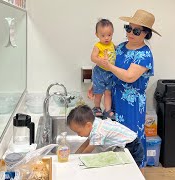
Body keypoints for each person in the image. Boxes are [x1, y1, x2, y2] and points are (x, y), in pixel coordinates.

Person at [89, 9, 161, 168]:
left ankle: (138, 174)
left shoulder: (144, 54)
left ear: (146, 34)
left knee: (132, 140)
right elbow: (106, 70)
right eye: (128, 28)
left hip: (132, 105)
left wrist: (108, 65)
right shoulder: (119, 47)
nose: (130, 33)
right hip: (114, 100)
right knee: (115, 141)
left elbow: (129, 76)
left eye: (136, 30)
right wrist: (96, 85)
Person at [66, 105, 144, 167]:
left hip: (132, 146)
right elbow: (86, 144)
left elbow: (87, 151)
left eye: (78, 132)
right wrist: (74, 156)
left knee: (131, 171)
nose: (78, 135)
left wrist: (75, 162)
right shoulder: (94, 123)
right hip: (130, 142)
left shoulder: (98, 132)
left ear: (88, 125)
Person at [90, 19, 116, 119]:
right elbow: (92, 57)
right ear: (97, 34)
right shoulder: (98, 46)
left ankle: (107, 110)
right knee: (98, 93)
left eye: (109, 35)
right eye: (103, 35)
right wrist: (99, 61)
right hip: (99, 73)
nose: (106, 38)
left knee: (108, 92)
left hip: (110, 73)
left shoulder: (112, 45)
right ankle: (97, 108)